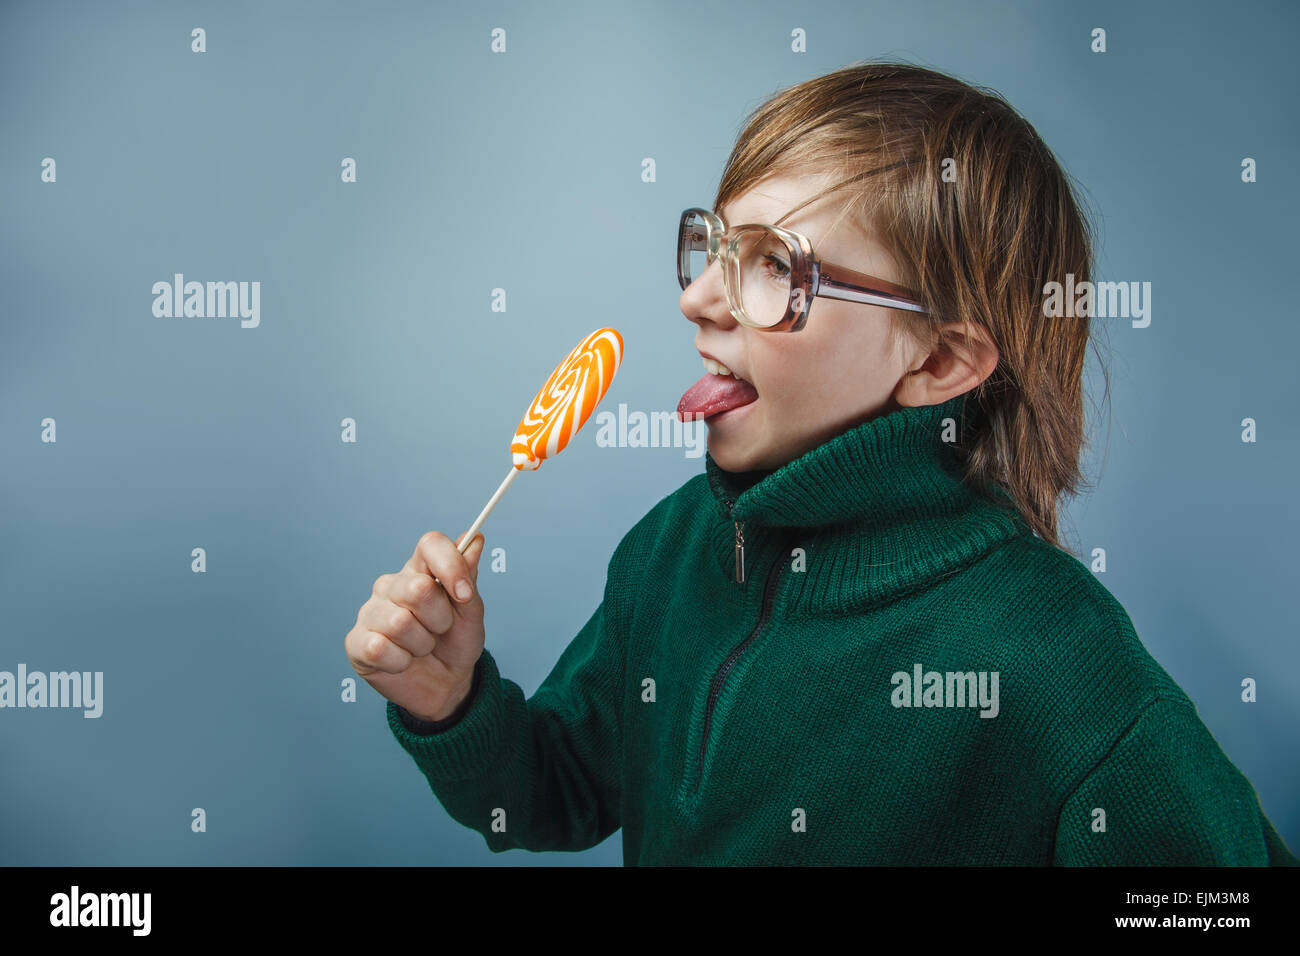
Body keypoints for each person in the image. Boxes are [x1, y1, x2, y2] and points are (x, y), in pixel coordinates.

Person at [345, 61, 1297, 865]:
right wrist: (452, 704)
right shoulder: (670, 552)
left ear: (938, 360)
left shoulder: (1053, 657)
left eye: (773, 269)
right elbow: (554, 796)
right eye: (714, 246)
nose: (700, 300)